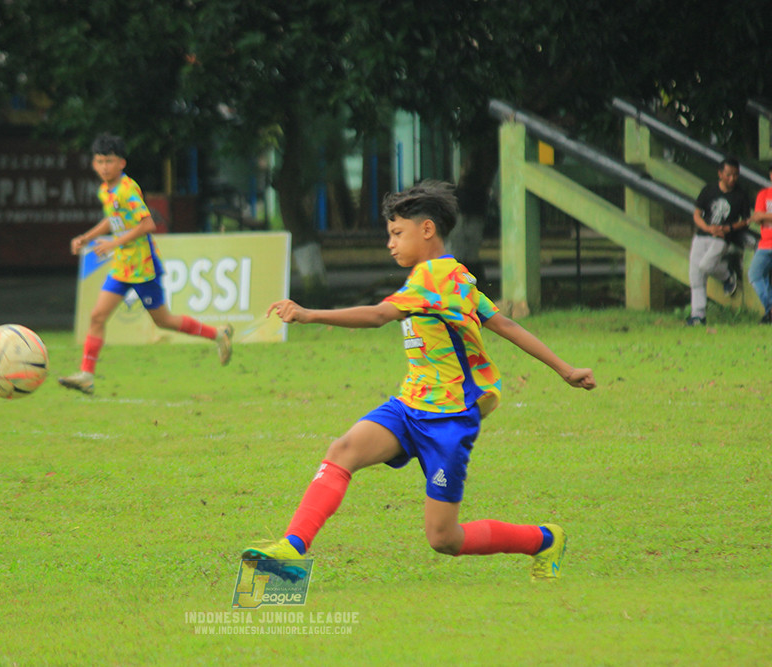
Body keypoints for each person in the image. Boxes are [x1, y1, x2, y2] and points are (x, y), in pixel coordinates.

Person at [241, 180, 596, 582]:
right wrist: (565, 369)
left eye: (397, 233)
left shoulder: (435, 278)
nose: (390, 244)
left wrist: (309, 314)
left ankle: (544, 540)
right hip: (410, 407)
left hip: (449, 419)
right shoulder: (454, 276)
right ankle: (292, 547)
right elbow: (506, 324)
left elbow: (380, 315)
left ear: (426, 229)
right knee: (343, 451)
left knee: (444, 538)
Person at [58, 134, 233, 394]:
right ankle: (86, 375)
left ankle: (218, 334)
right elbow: (113, 219)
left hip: (143, 267)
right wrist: (87, 237)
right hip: (122, 266)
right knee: (97, 316)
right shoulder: (105, 190)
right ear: (94, 164)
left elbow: (148, 224)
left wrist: (113, 243)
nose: (104, 166)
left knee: (164, 321)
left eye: (109, 161)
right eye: (99, 161)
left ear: (121, 163)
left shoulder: (127, 189)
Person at [686, 157, 753, 326]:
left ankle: (727, 274)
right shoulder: (709, 190)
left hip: (723, 238)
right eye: (728, 174)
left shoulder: (741, 195)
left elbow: (746, 220)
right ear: (720, 174)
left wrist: (728, 228)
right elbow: (697, 214)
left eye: (735, 175)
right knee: (695, 275)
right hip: (702, 235)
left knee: (705, 266)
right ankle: (698, 315)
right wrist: (708, 228)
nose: (732, 178)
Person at [747, 162, 772, 324]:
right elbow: (756, 217)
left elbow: (761, 216)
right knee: (755, 274)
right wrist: (761, 216)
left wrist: (765, 215)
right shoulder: (764, 194)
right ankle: (770, 309)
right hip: (765, 244)